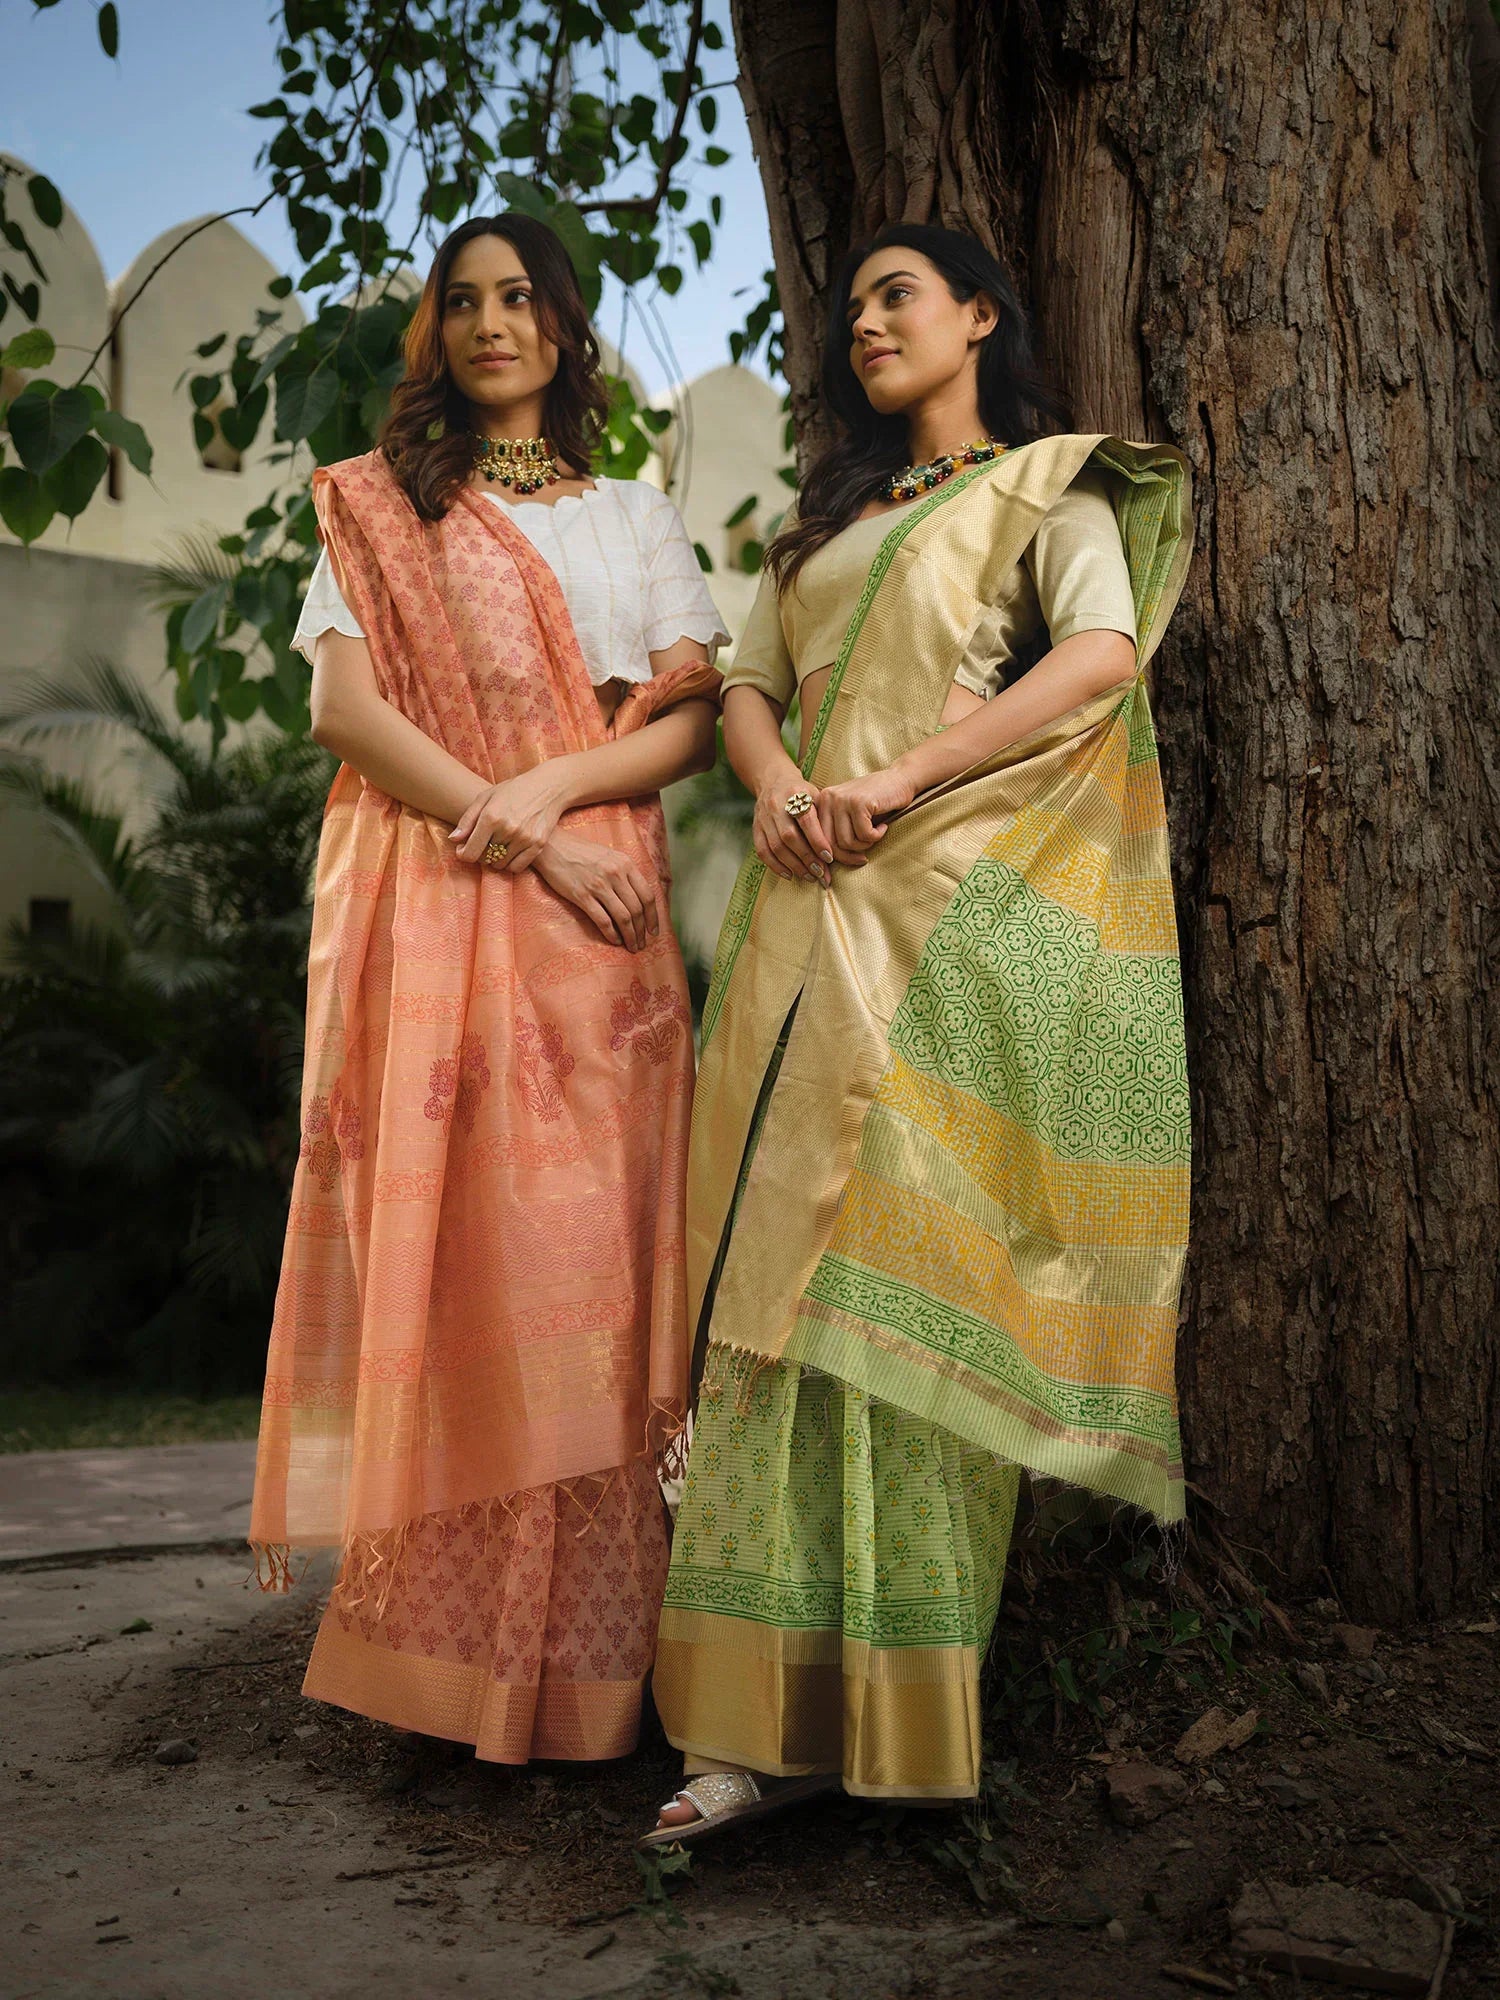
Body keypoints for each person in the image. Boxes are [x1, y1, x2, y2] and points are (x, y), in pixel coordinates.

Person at [640, 223, 1193, 1844]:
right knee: (757, 1300)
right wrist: (787, 781)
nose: (870, 321)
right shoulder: (823, 527)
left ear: (979, 320)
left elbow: (1099, 655)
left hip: (940, 930)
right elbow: (748, 687)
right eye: (857, 302)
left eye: (901, 295)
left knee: (902, 1300)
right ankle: (743, 1734)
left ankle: (892, 1723)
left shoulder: (1050, 491)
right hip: (791, 923)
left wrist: (899, 776)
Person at [249, 213, 727, 1769]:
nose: (491, 323)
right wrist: (507, 826)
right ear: (435, 333)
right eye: (463, 302)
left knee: (596, 1282)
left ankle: (593, 1674)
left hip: (603, 921)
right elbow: (340, 705)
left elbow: (691, 717)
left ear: (565, 328)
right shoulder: (385, 509)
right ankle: (448, 1667)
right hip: (462, 908)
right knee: (474, 1263)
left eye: (519, 299)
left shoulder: (637, 513)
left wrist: (556, 799)